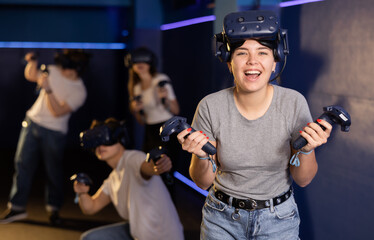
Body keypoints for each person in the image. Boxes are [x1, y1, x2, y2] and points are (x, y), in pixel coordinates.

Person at [176, 10, 332, 239]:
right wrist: (200, 156)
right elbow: (202, 181)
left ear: (275, 60)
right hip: (220, 218)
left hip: (279, 219)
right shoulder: (210, 106)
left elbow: (303, 179)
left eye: (262, 52)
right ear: (229, 61)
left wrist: (307, 150)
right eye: (241, 53)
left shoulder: (293, 102)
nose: (252, 61)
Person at [0, 49, 90, 225]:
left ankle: (53, 208)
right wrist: (32, 62)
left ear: (76, 69)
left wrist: (48, 89)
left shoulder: (79, 91)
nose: (61, 68)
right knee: (22, 164)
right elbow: (31, 75)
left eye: (65, 66)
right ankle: (17, 207)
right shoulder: (54, 70)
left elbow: (58, 112)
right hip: (32, 122)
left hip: (55, 131)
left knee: (53, 170)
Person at [75, 118, 184, 240]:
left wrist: (157, 166)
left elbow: (146, 168)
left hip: (163, 236)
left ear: (120, 139)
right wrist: (82, 192)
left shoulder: (132, 158)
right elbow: (91, 207)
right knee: (90, 238)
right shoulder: (113, 178)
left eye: (106, 140)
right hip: (137, 233)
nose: (101, 146)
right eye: (97, 142)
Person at [126, 47, 180, 191]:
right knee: (149, 171)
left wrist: (165, 100)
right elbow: (141, 121)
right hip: (150, 131)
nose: (140, 64)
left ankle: (169, 210)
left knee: (166, 173)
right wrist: (136, 111)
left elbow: (176, 110)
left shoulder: (161, 80)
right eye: (136, 61)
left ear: (151, 63)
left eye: (144, 60)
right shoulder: (136, 88)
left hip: (167, 129)